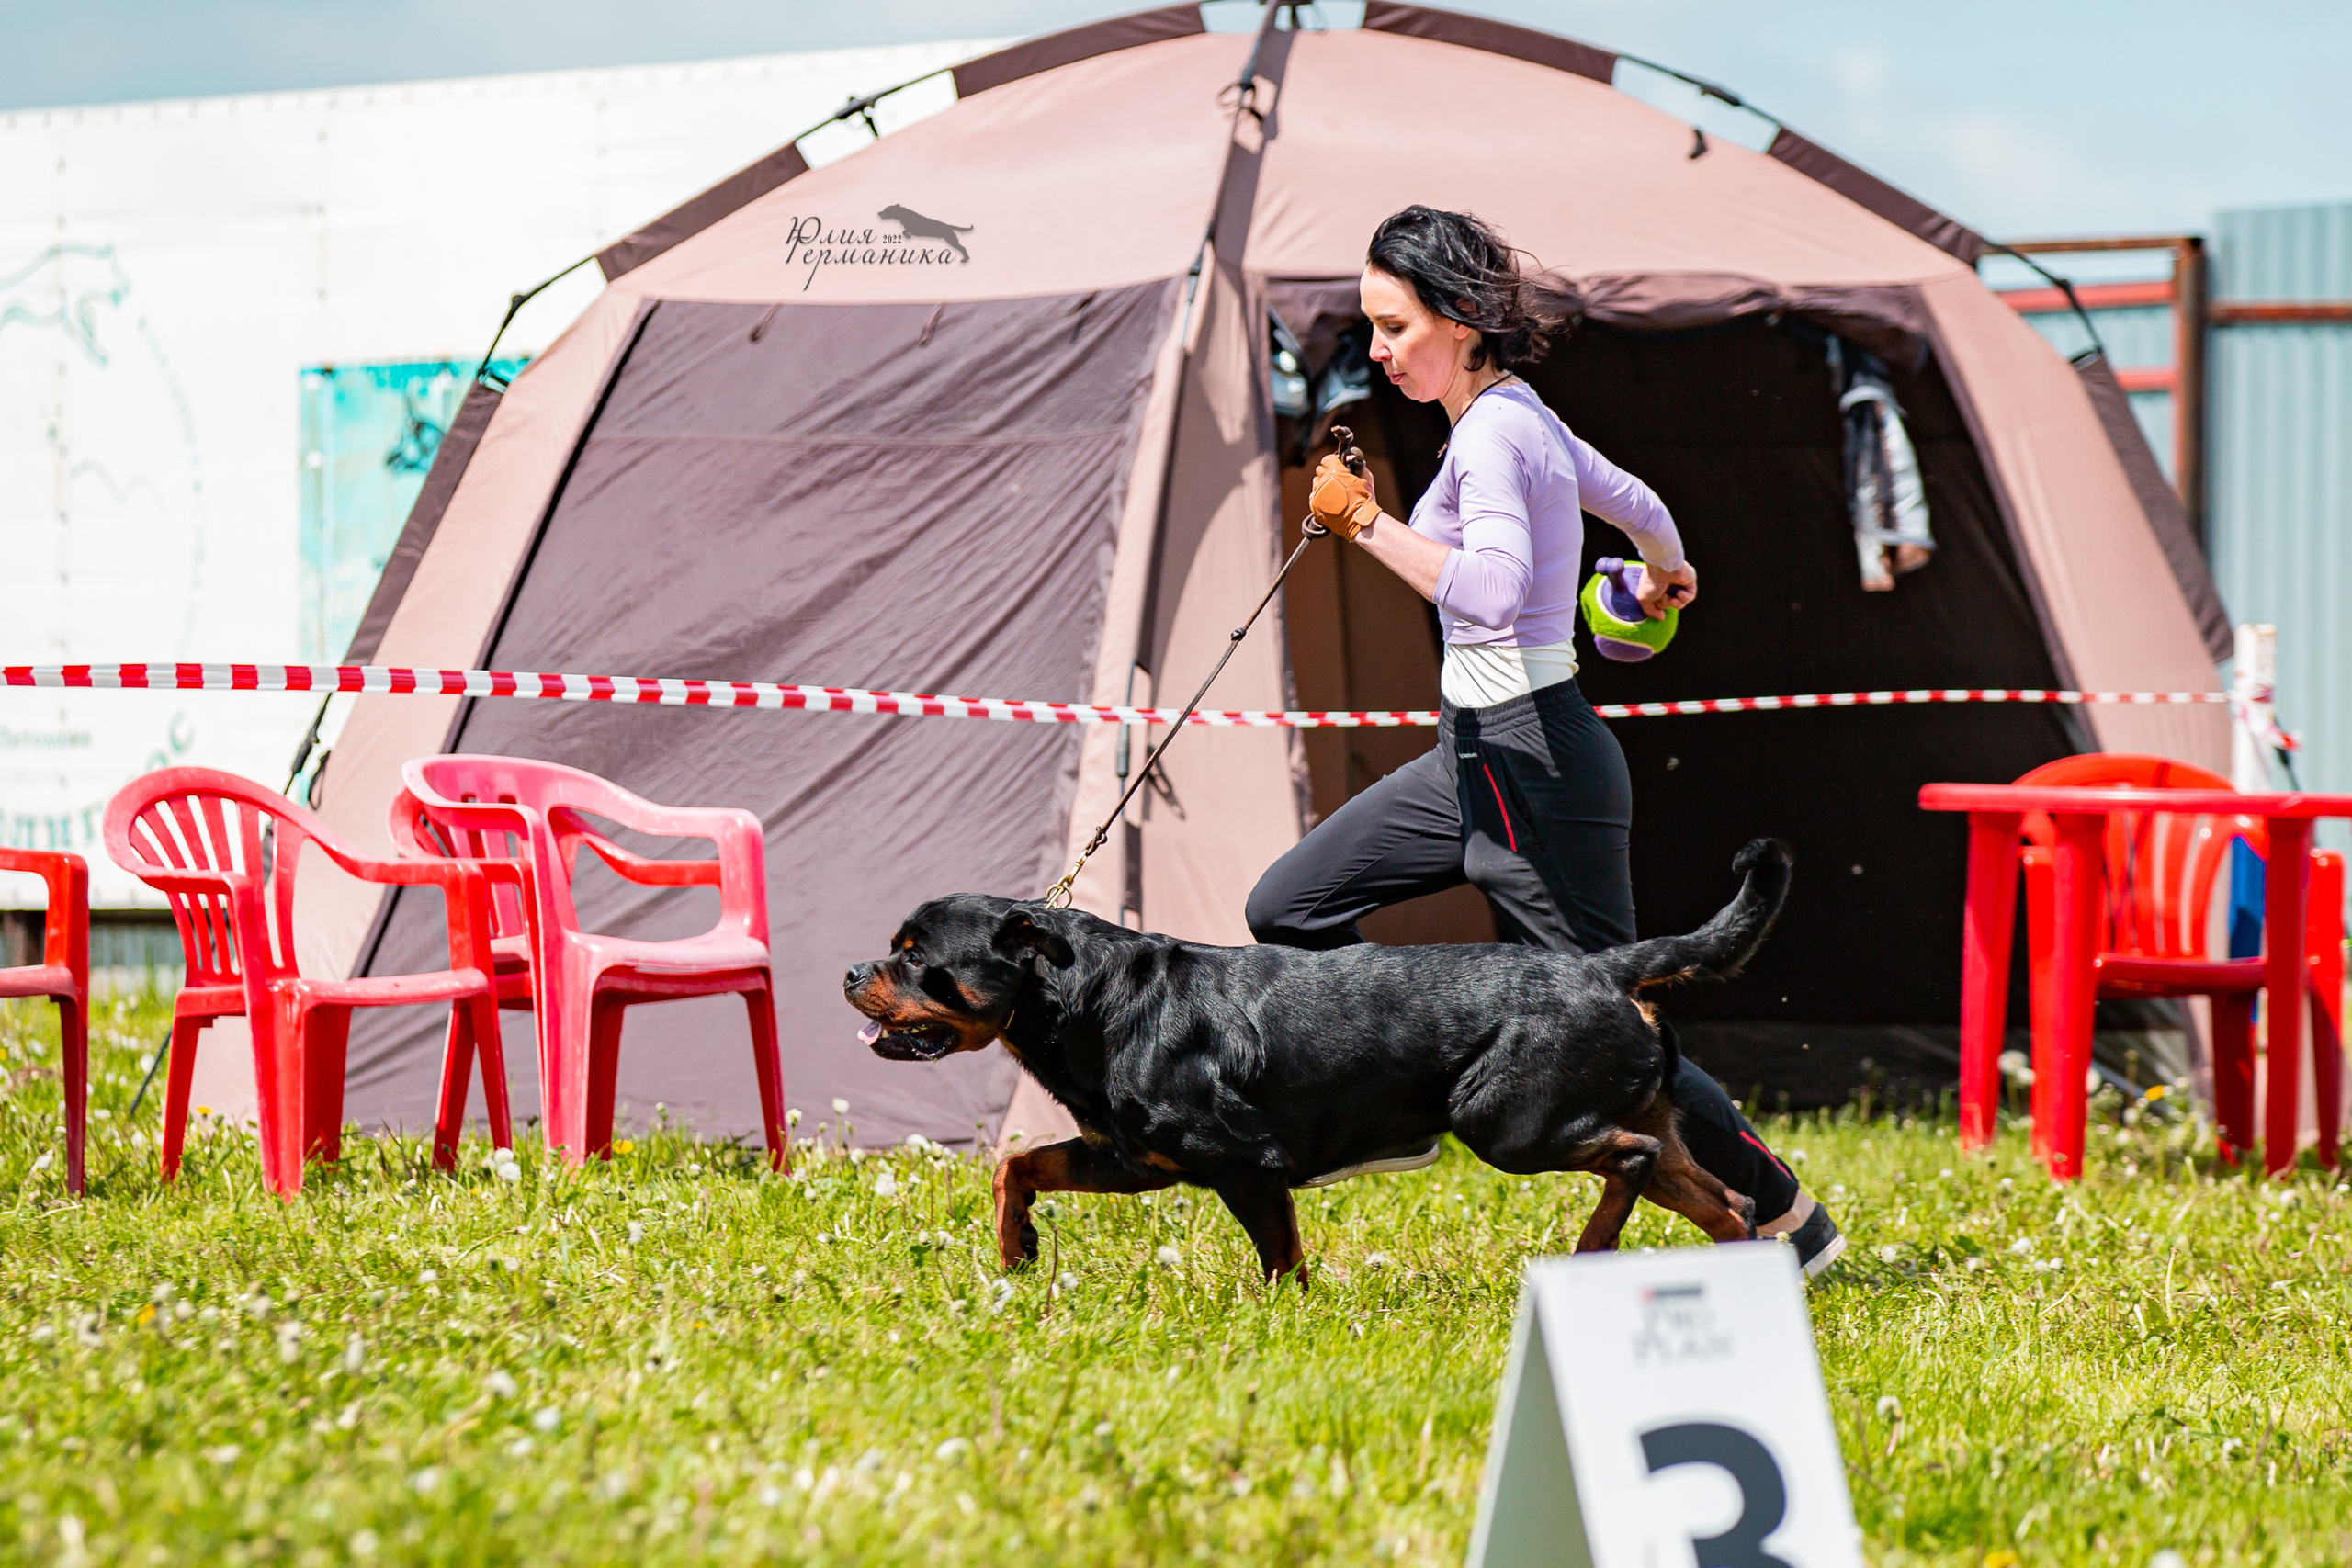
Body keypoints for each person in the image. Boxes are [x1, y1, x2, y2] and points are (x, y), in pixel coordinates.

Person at [1245, 205, 1842, 1279]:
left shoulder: (1493, 432)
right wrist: (1662, 571)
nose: (1375, 350)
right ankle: (1400, 1105)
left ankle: (1786, 1219)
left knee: (1605, 1017)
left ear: (1462, 319)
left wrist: (1362, 524)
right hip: (1468, 757)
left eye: (1392, 327)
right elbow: (1639, 502)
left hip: (1534, 761)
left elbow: (1491, 589)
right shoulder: (1519, 416)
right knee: (1287, 908)